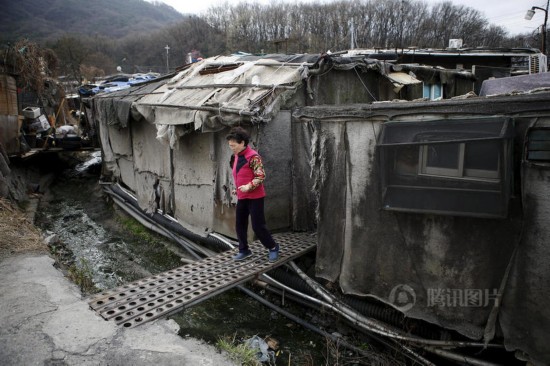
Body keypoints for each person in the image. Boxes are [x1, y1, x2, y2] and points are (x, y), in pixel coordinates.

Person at [226, 126, 279, 262]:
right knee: (240, 224)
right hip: (242, 196)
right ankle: (244, 250)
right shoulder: (237, 156)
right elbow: (241, 175)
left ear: (242, 143)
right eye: (230, 145)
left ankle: (272, 247)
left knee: (257, 226)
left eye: (234, 145)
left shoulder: (253, 157)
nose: (232, 148)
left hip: (255, 197)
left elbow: (260, 176)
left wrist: (249, 186)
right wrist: (237, 188)